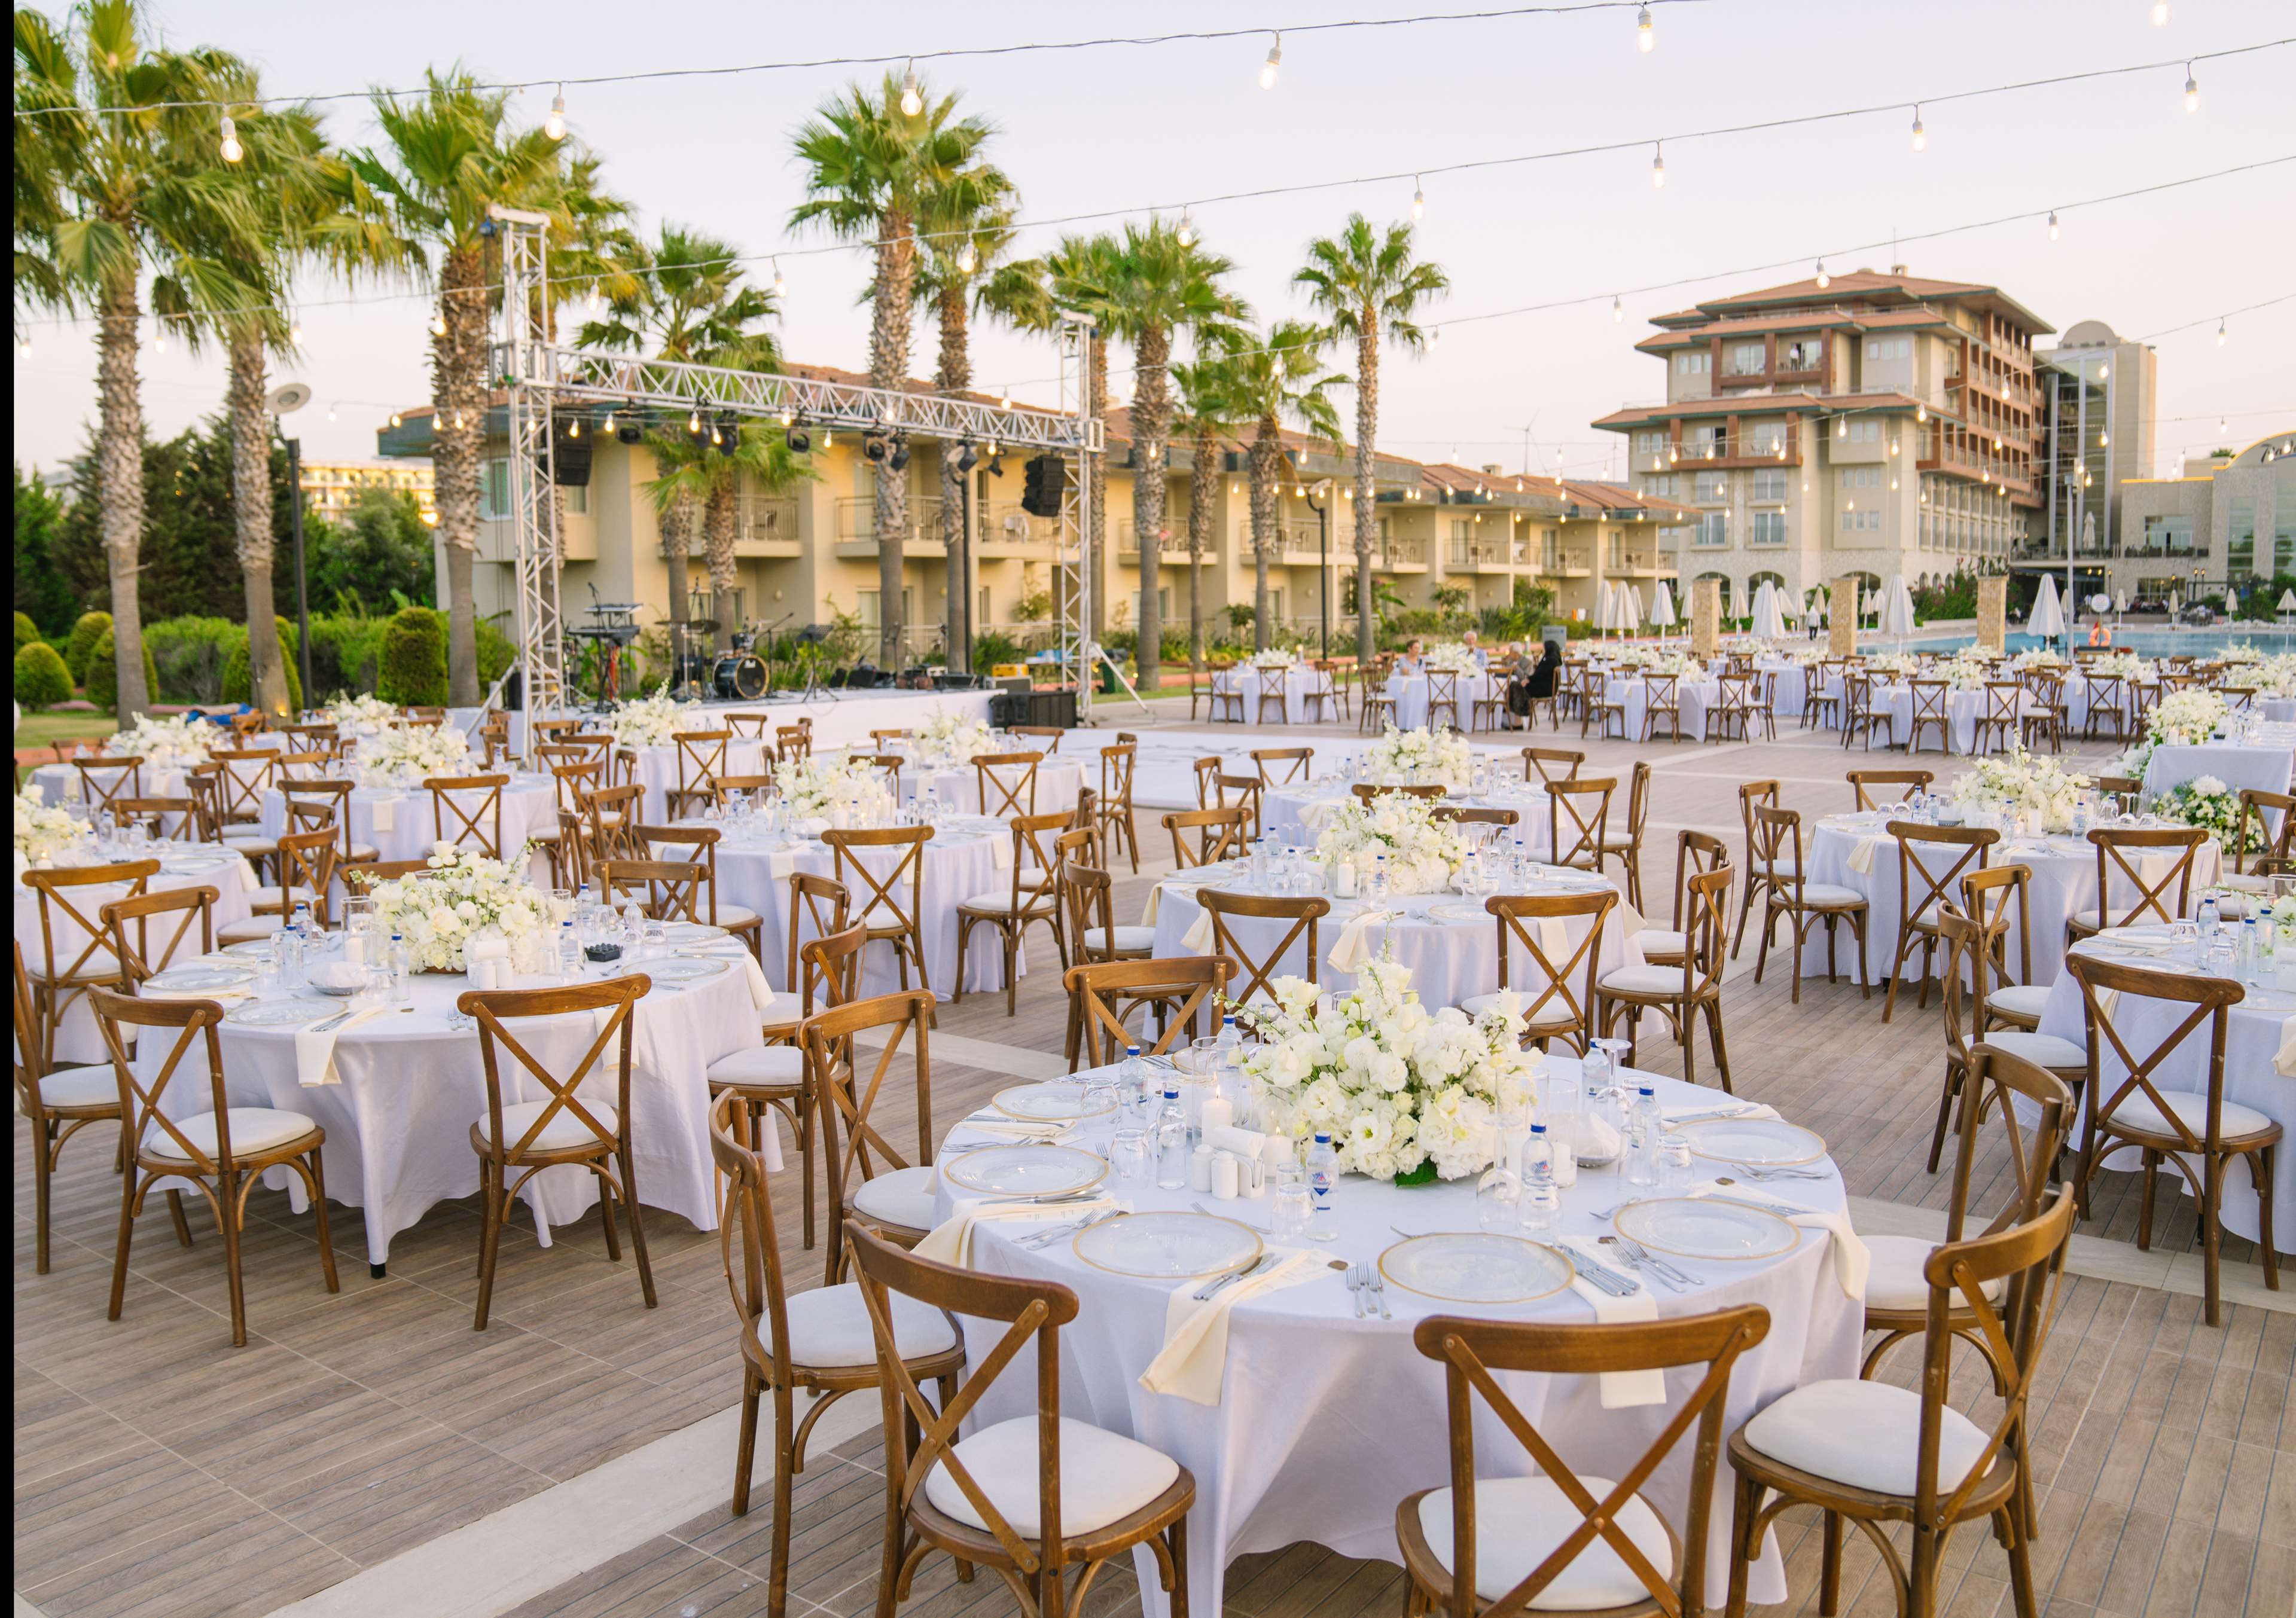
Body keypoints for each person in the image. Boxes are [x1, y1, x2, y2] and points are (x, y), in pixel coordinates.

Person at [1506, 639, 1563, 727]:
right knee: (1516, 686)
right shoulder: (1554, 660)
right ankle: (1518, 719)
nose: (1543, 650)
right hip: (1547, 688)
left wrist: (1528, 680)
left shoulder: (1550, 660)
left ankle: (1519, 720)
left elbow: (1539, 674)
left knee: (1516, 687)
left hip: (1545, 689)